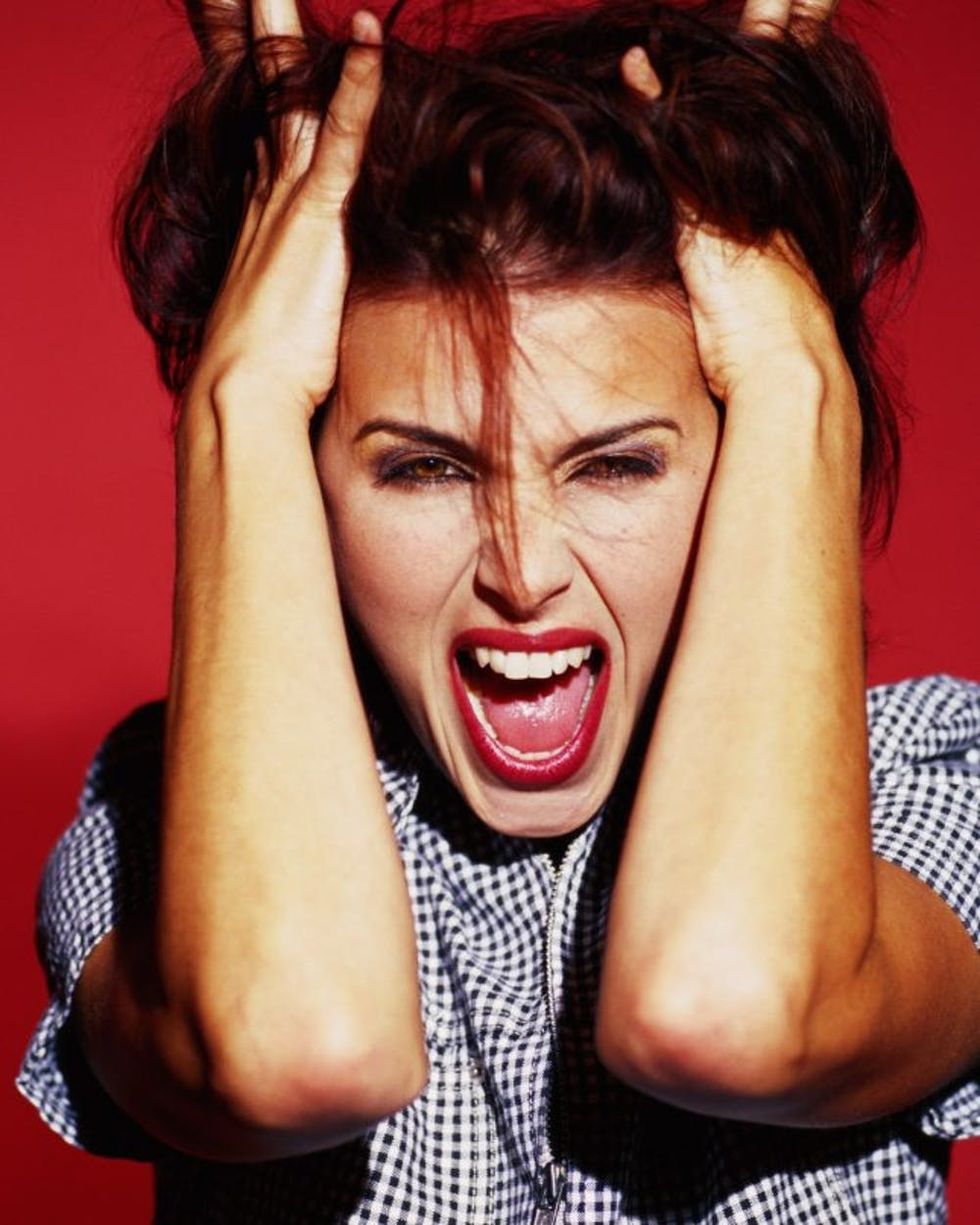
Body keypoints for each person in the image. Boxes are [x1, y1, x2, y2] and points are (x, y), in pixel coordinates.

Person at [17, 0, 980, 1220]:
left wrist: (795, 380)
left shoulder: (929, 785)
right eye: (423, 468)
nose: (522, 574)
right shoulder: (165, 830)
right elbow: (286, 1049)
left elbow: (736, 1011)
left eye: (617, 464)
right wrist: (241, 398)